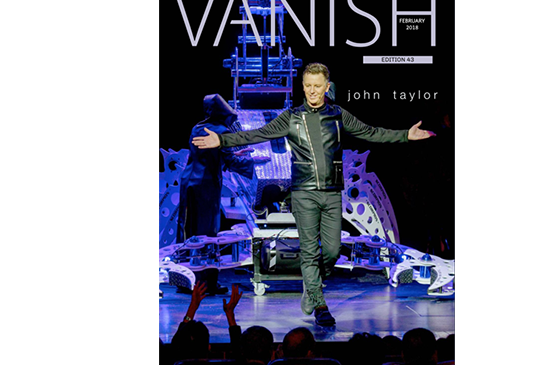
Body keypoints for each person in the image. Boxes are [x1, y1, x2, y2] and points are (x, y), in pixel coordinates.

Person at [192, 63, 435, 326]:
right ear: (303, 86)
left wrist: (405, 135)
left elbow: (371, 132)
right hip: (303, 193)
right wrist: (223, 140)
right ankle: (320, 305)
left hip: (331, 193)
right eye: (307, 86)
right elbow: (258, 134)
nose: (312, 91)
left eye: (317, 86)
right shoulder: (291, 117)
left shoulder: (338, 115)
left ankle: (312, 285)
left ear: (326, 87)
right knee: (309, 251)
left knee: (331, 251)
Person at [179, 94, 264, 295]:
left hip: (189, 183)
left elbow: (209, 155)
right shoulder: (221, 131)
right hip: (206, 186)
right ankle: (205, 284)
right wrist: (254, 162)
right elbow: (231, 163)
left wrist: (232, 154)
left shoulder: (197, 127)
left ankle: (185, 281)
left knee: (189, 230)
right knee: (207, 233)